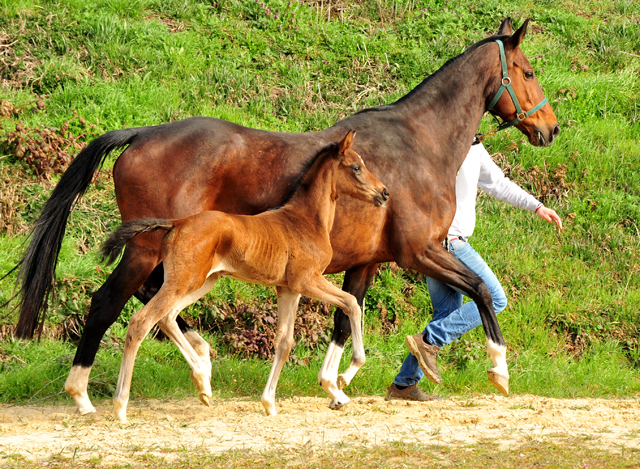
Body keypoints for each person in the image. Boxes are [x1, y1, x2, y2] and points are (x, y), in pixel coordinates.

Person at [386, 141, 563, 401]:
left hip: (434, 245)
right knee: (494, 297)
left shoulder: (474, 148)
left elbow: (498, 184)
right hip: (449, 244)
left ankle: (403, 385)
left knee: (446, 312)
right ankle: (430, 340)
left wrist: (536, 206)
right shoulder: (439, 143)